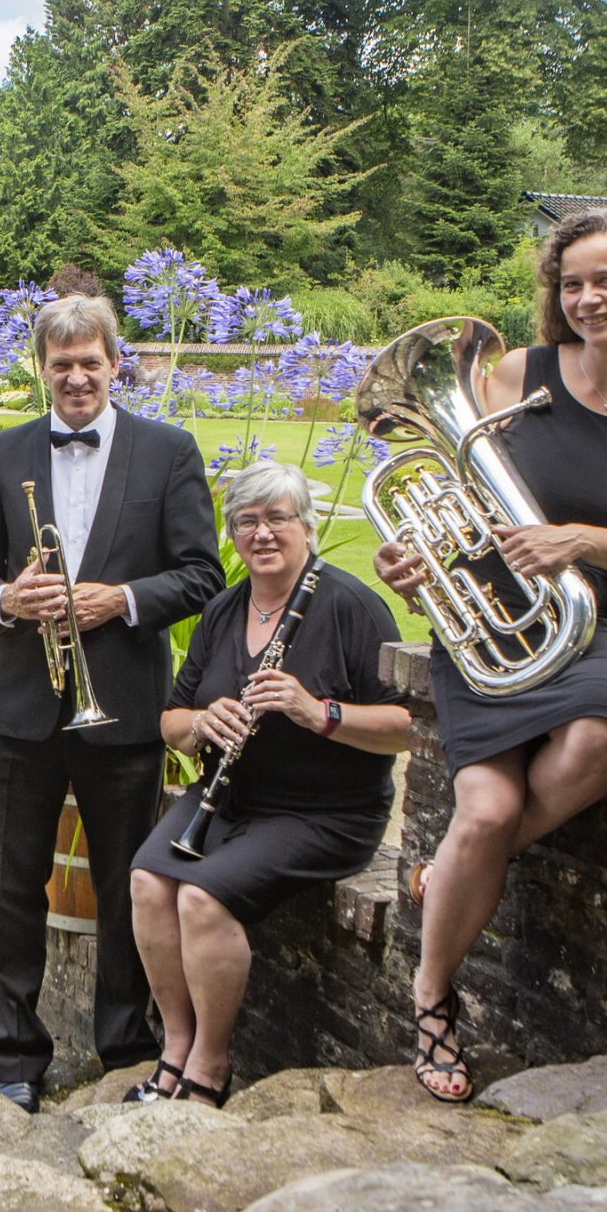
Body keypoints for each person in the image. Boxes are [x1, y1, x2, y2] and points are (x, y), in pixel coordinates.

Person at [376, 204, 607, 1103]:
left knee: (594, 744)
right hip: (485, 621)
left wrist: (574, 538)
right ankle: (432, 999)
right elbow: (458, 502)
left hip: (592, 617)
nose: (589, 298)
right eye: (572, 283)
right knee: (491, 807)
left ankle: (445, 870)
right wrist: (414, 561)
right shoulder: (514, 374)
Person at [0, 295, 225, 1110]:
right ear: (40, 368)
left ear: (117, 363)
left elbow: (203, 573)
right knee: (13, 884)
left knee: (123, 880)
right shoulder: (2, 453)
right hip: (20, 706)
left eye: (90, 360)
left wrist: (125, 599)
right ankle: (14, 1057)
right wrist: (9, 598)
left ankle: (123, 1046)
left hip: (122, 701)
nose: (76, 376)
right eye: (60, 362)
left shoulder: (168, 450)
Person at [131, 462, 412, 1106]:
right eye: (247, 522)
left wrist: (319, 712)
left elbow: (407, 725)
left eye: (277, 518)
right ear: (232, 534)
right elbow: (170, 721)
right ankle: (173, 1045)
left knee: (202, 899)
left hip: (324, 811)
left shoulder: (350, 606)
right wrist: (203, 721)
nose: (262, 534)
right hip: (229, 797)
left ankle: (209, 1064)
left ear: (307, 528)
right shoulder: (225, 608)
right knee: (149, 880)